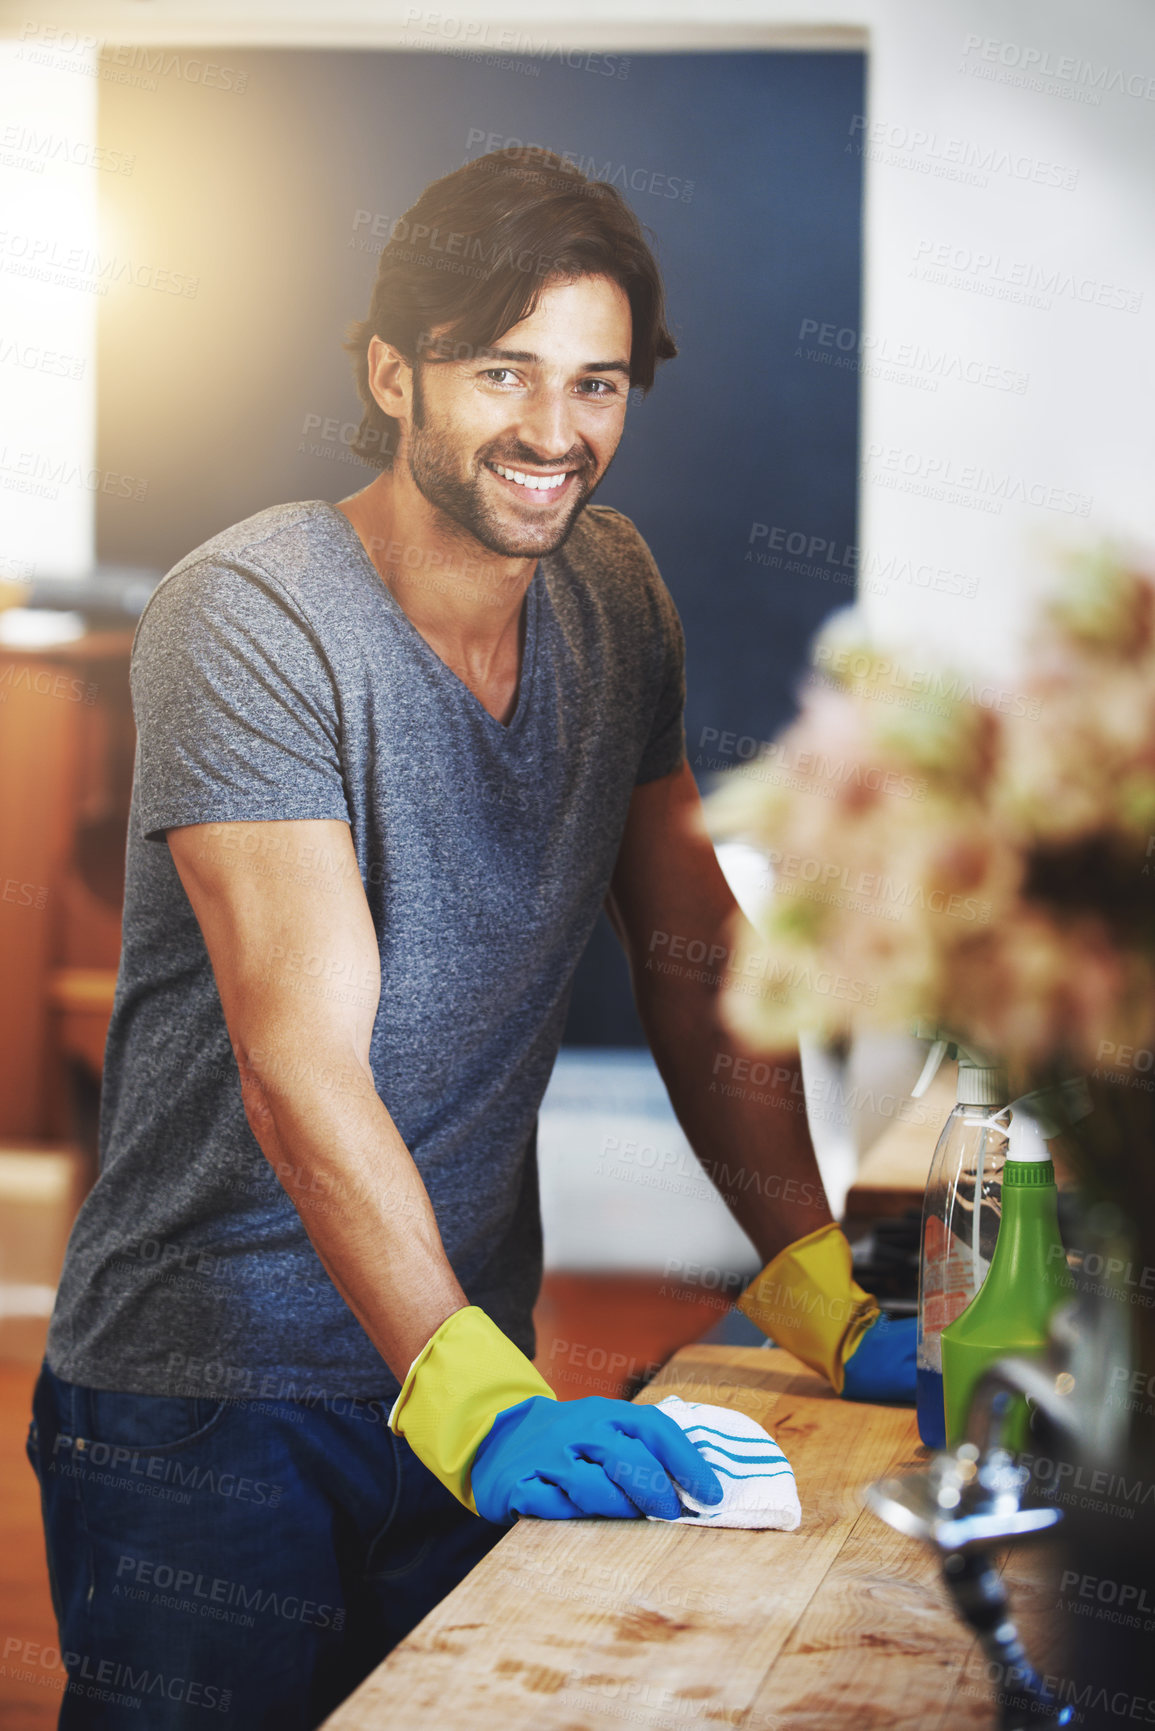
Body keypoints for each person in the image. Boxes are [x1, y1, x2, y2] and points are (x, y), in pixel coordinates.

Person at [27, 145, 913, 1728]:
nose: (556, 435)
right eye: (502, 372)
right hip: (206, 1405)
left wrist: (809, 1272)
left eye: (597, 382)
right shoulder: (254, 617)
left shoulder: (614, 590)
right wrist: (475, 1390)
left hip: (459, 1357)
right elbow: (301, 1057)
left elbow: (696, 954)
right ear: (392, 373)